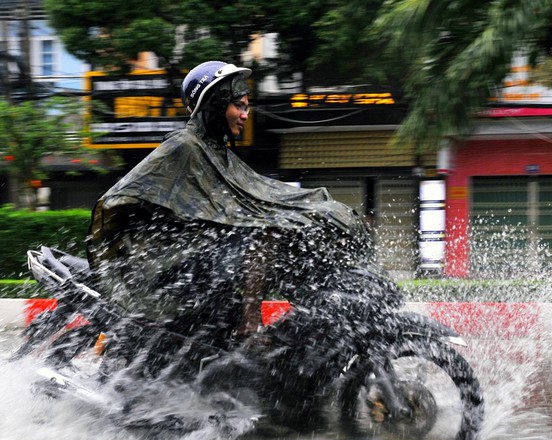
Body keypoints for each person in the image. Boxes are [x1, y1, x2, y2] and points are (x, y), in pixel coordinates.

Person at [87, 61, 370, 350]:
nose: (246, 114)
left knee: (294, 231)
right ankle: (249, 325)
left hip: (200, 257)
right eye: (238, 106)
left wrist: (317, 207)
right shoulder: (184, 147)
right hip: (164, 265)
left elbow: (262, 196)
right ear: (214, 104)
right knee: (265, 230)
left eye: (247, 107)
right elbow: (123, 197)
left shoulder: (220, 154)